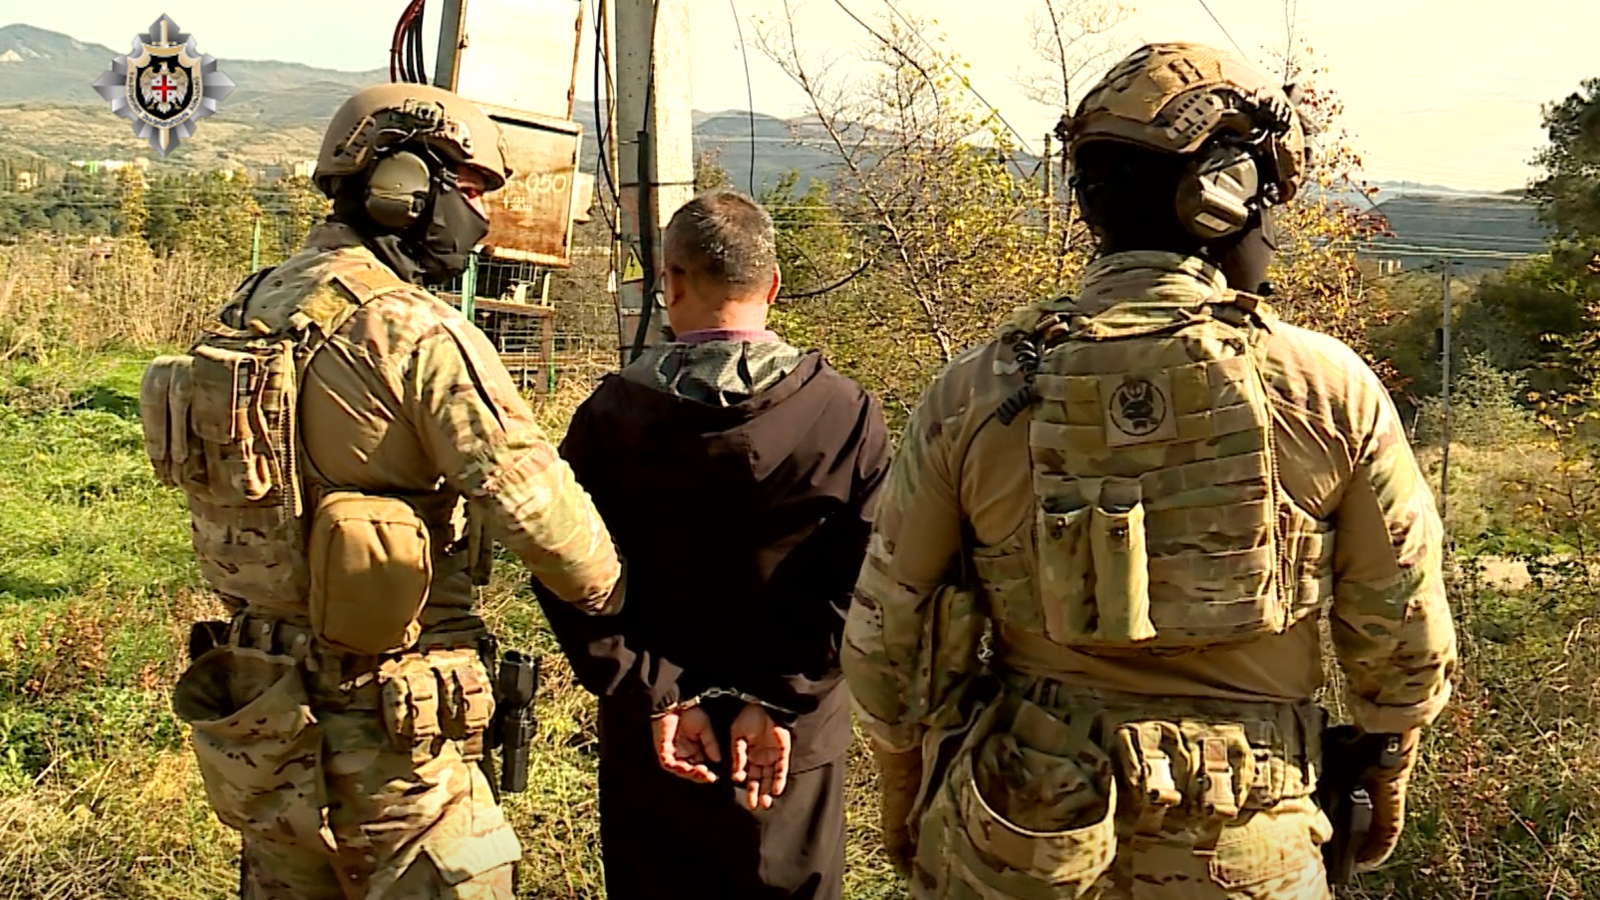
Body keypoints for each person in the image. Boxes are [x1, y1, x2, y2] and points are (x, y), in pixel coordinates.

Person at [843, 42, 1459, 900]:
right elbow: (1403, 642)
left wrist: (906, 800)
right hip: (1248, 842)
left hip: (1019, 839)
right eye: (1266, 197)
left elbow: (887, 645)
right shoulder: (1327, 389)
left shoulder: (977, 391)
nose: (1271, 224)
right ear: (1221, 198)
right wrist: (1383, 779)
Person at [139, 82, 623, 899]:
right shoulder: (413, 330)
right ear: (402, 186)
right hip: (396, 732)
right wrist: (615, 593)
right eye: (468, 190)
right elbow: (550, 527)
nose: (479, 216)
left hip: (264, 719)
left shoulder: (246, 311)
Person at [535, 188, 892, 900]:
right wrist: (780, 699)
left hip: (655, 738)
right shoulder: (843, 414)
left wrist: (656, 692)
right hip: (792, 745)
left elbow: (563, 568)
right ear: (774, 285)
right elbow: (869, 582)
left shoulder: (611, 416)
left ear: (670, 282)